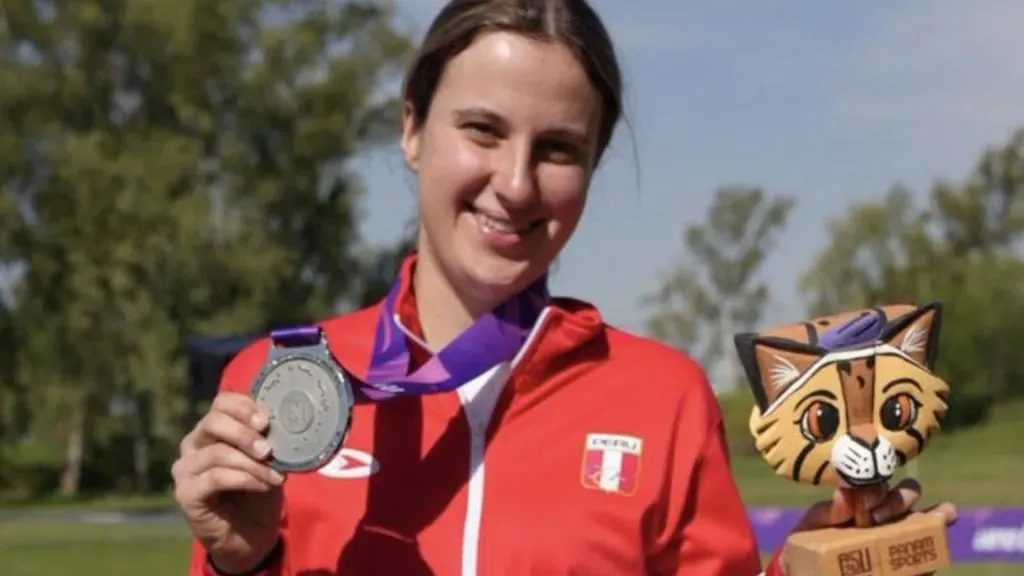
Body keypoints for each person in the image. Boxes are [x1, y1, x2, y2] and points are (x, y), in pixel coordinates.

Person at [173, 0, 957, 574]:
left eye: (556, 149)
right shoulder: (280, 383)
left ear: (591, 167)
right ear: (412, 128)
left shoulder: (663, 398)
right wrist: (239, 563)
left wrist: (818, 564)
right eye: (481, 130)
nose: (514, 184)